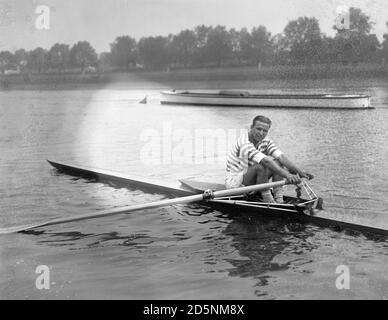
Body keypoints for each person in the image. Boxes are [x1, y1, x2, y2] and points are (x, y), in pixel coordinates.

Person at [226, 115, 313, 203]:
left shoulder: (266, 142)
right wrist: (288, 175)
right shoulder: (244, 143)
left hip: (252, 181)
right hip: (235, 184)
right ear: (251, 127)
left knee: (278, 162)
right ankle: (268, 200)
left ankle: (278, 198)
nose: (261, 133)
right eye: (258, 129)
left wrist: (300, 173)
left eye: (265, 131)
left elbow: (281, 157)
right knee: (261, 166)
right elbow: (266, 161)